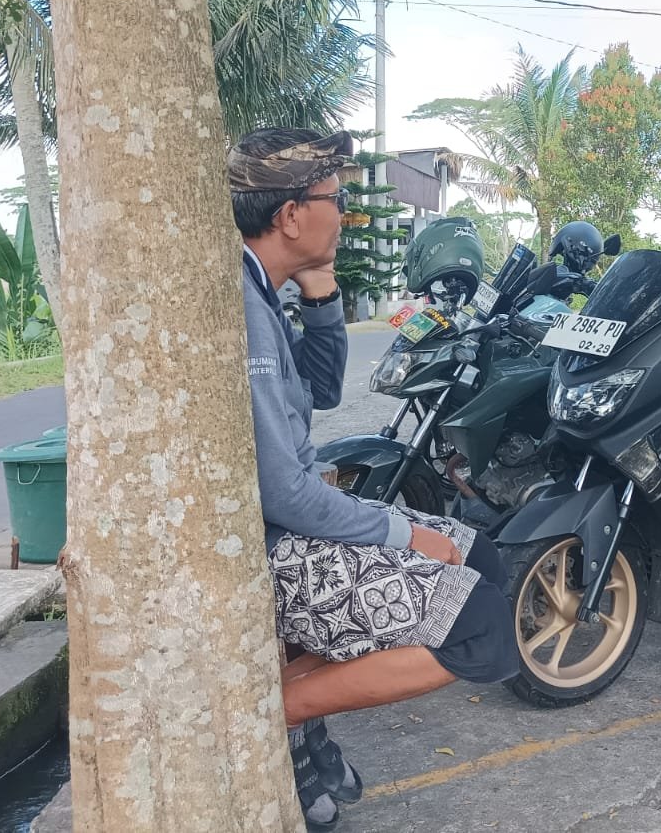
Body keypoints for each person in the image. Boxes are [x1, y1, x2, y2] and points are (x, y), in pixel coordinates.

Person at [230, 127, 517, 831]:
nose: (346, 216)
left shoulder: (262, 289)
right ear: (290, 215)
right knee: (482, 632)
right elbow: (285, 493)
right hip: (271, 543)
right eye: (337, 201)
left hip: (292, 524)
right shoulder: (242, 308)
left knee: (482, 556)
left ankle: (301, 721)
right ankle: (280, 716)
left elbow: (323, 390)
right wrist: (405, 534)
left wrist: (320, 291)